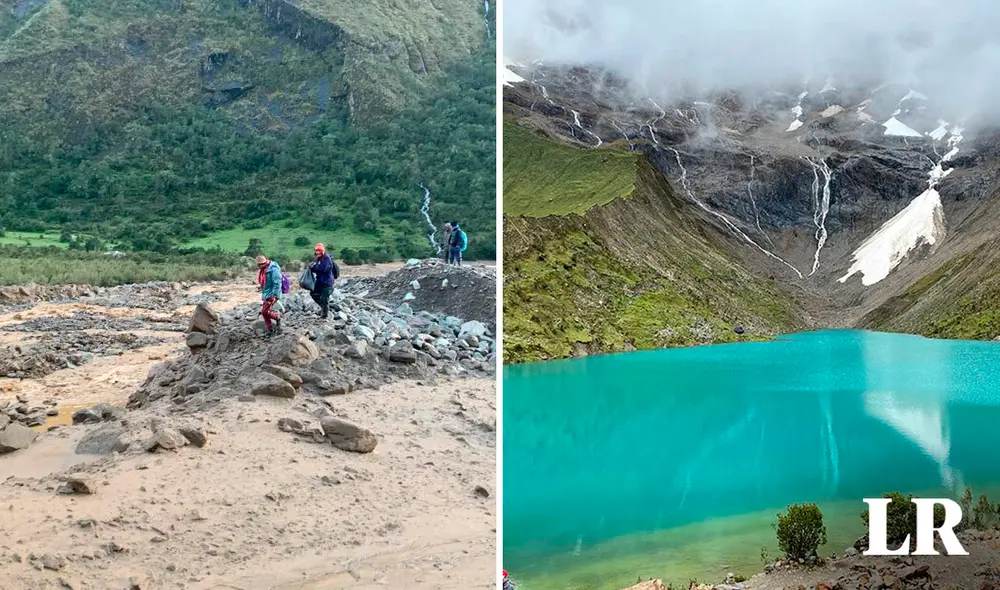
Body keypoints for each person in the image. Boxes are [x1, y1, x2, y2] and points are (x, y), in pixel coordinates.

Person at [256, 254, 283, 337]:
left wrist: (274, 295)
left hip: (272, 294)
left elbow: (277, 283)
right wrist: (261, 287)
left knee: (264, 311)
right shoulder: (263, 270)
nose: (259, 266)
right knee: (264, 313)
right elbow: (265, 282)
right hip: (266, 293)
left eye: (260, 264)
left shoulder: (273, 269)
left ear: (264, 263)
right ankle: (270, 329)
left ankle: (278, 318)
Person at [309, 243, 337, 319]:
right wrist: (312, 267)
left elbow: (323, 268)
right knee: (313, 293)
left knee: (324, 298)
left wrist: (314, 267)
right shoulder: (318, 259)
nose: (317, 253)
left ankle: (324, 316)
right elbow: (316, 269)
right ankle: (325, 307)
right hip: (320, 281)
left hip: (327, 282)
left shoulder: (327, 258)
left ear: (322, 251)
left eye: (319, 251)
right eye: (316, 251)